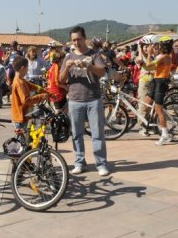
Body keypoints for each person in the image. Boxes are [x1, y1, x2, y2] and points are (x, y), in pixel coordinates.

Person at [59, 26, 109, 176]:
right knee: (76, 133)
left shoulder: (95, 54)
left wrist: (89, 65)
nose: (76, 42)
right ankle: (79, 162)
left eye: (79, 39)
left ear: (84, 38)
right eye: (73, 40)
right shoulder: (68, 57)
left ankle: (101, 163)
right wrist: (67, 68)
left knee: (97, 133)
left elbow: (102, 72)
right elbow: (61, 79)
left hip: (93, 98)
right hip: (74, 99)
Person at [143, 37, 174, 145]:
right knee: (146, 103)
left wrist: (148, 53)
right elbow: (151, 68)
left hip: (160, 83)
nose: (158, 46)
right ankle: (154, 124)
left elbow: (148, 66)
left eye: (160, 45)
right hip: (156, 82)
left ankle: (165, 134)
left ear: (163, 46)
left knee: (158, 109)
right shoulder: (164, 56)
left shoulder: (165, 57)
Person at [10, 56, 49, 131]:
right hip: (21, 116)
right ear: (22, 68)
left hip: (23, 115)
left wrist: (47, 92)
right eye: (27, 67)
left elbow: (33, 86)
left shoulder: (21, 80)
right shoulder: (19, 82)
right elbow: (26, 100)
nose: (28, 70)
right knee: (24, 140)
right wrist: (41, 96)